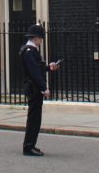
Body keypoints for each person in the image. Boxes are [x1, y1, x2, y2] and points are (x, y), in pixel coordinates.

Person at [19, 24, 60, 157]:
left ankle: (30, 145)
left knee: (35, 118)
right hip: (34, 88)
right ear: (36, 38)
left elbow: (38, 68)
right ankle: (28, 147)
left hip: (34, 88)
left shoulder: (30, 51)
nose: (41, 41)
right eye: (41, 38)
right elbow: (34, 72)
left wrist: (49, 67)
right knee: (34, 119)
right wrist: (44, 87)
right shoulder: (29, 51)